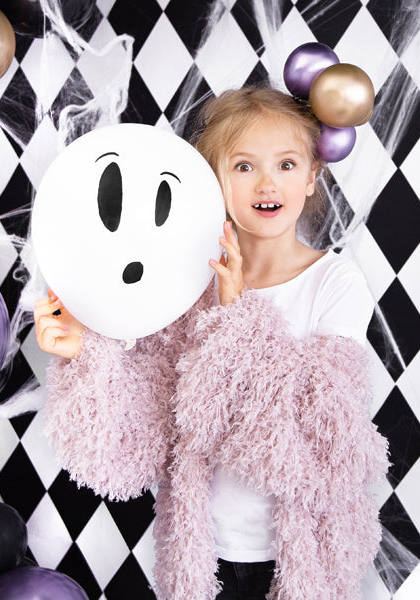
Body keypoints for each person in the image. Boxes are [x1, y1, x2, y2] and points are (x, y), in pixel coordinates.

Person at [33, 86, 389, 600]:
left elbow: (323, 433)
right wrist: (86, 353)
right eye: (243, 166)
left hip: (296, 557)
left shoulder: (335, 283)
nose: (267, 183)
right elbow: (156, 419)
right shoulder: (188, 287)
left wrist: (238, 313)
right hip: (204, 553)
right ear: (213, 181)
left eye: (286, 164)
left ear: (312, 175)